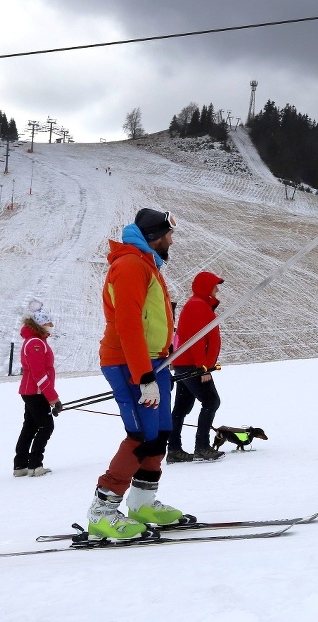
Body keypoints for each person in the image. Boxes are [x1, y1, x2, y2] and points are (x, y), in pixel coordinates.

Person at [86, 208, 184, 540]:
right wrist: (144, 376)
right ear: (155, 236)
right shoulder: (129, 266)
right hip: (129, 364)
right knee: (140, 435)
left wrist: (163, 356)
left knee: (159, 434)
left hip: (154, 362)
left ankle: (142, 503)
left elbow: (150, 319)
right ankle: (102, 512)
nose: (172, 240)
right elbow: (128, 324)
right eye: (169, 234)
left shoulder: (146, 265)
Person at [166, 271, 226, 462]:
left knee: (182, 407)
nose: (217, 289)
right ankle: (202, 446)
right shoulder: (198, 306)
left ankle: (174, 449)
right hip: (192, 364)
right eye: (214, 285)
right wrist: (203, 368)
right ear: (206, 287)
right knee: (211, 401)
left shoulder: (199, 305)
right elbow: (196, 340)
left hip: (186, 363)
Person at [14, 301, 62, 477]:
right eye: (49, 323)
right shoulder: (36, 343)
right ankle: (35, 465)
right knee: (46, 426)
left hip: (32, 392)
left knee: (30, 427)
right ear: (41, 325)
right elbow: (39, 373)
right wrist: (53, 398)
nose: (52, 326)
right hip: (36, 393)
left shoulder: (35, 341)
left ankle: (20, 466)